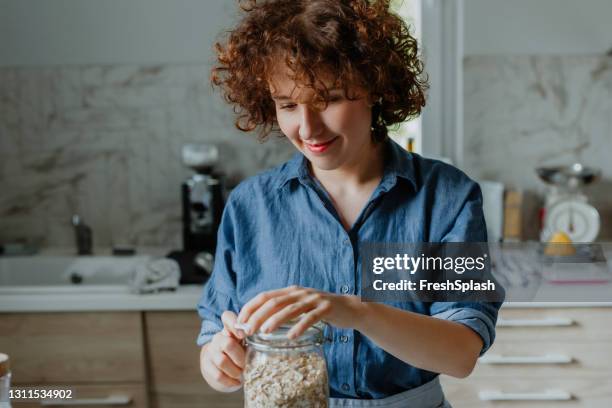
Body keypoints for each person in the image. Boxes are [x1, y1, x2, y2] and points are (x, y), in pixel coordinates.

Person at [197, 0, 503, 406]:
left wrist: (355, 312)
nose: (307, 127)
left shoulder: (446, 197)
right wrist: (219, 362)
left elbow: (461, 353)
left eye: (328, 99)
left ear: (375, 87)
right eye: (287, 105)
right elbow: (215, 343)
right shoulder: (249, 206)